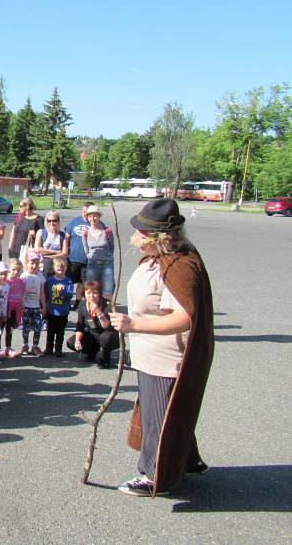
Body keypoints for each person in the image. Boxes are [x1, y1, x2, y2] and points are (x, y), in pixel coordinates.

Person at [110, 198, 214, 497]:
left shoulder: (180, 265)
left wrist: (133, 325)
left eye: (142, 233)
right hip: (149, 354)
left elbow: (184, 318)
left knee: (158, 417)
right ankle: (186, 461)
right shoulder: (158, 259)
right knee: (168, 411)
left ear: (160, 238)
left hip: (165, 359)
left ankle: (155, 475)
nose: (136, 236)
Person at [66, 280, 119, 369]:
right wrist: (77, 340)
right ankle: (93, 351)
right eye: (88, 293)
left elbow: (107, 326)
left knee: (105, 337)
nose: (92, 296)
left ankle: (105, 359)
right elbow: (80, 326)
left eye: (95, 293)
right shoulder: (82, 305)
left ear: (99, 294)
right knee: (71, 342)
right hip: (93, 334)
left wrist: (98, 312)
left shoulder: (107, 305)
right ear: (84, 294)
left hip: (109, 335)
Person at [65, 201, 104, 310]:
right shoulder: (74, 221)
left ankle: (77, 303)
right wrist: (65, 252)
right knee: (69, 283)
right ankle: (67, 301)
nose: (84, 214)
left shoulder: (98, 224)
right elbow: (67, 237)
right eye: (83, 212)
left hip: (88, 262)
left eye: (87, 213)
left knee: (83, 284)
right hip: (72, 259)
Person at [82, 205, 116, 302]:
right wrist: (91, 258)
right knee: (91, 290)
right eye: (90, 216)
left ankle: (107, 312)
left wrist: (106, 257)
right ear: (88, 218)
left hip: (107, 265)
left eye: (95, 216)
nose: (92, 218)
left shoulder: (107, 231)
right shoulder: (86, 233)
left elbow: (112, 247)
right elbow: (86, 249)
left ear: (99, 217)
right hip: (92, 265)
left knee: (108, 291)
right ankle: (92, 313)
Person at [43, 258, 73, 356]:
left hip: (63, 311)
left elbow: (69, 295)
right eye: (58, 269)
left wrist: (62, 291)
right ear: (54, 268)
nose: (60, 272)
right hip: (52, 310)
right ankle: (49, 348)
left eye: (62, 270)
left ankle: (58, 348)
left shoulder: (68, 281)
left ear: (66, 269)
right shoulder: (50, 280)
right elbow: (46, 293)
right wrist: (45, 306)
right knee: (50, 331)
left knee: (60, 331)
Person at [20, 252, 47, 356]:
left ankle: (35, 346)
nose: (34, 266)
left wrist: (43, 306)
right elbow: (21, 292)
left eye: (36, 263)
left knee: (37, 327)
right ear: (27, 263)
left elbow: (42, 293)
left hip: (36, 307)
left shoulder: (40, 276)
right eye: (31, 263)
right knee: (26, 327)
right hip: (26, 306)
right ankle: (25, 344)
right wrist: (21, 306)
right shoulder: (24, 276)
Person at [7, 197, 43, 262]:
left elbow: (42, 237)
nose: (19, 208)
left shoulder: (38, 219)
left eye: (21, 206)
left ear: (27, 206)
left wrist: (35, 234)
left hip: (27, 250)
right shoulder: (20, 217)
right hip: (14, 249)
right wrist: (10, 246)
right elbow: (14, 230)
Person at [34, 210, 68, 277]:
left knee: (55, 287)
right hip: (44, 267)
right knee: (44, 286)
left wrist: (48, 256)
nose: (52, 223)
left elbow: (64, 254)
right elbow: (37, 249)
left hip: (58, 268)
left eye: (54, 220)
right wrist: (56, 252)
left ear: (58, 221)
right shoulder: (41, 232)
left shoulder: (63, 235)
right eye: (49, 221)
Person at [3, 257, 25, 357]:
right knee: (0, 328)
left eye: (18, 270)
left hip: (15, 309)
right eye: (13, 269)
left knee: (10, 328)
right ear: (8, 270)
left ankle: (8, 347)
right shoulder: (5, 281)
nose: (16, 272)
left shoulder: (20, 281)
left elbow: (21, 294)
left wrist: (22, 306)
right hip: (5, 309)